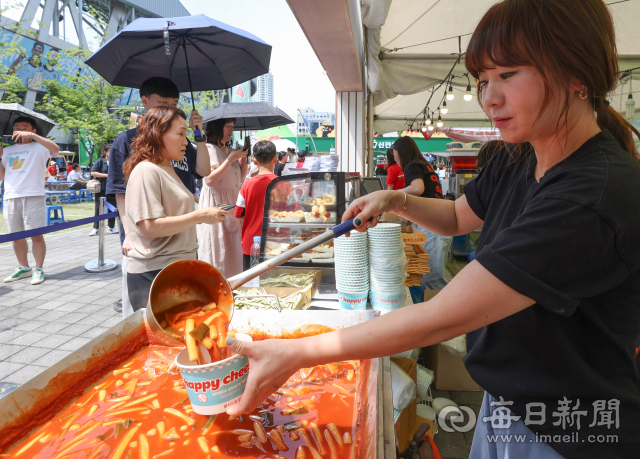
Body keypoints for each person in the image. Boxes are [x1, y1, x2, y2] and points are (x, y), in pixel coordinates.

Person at [225, 2, 640, 458]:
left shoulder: (593, 194)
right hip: (506, 403)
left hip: (571, 430)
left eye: (509, 74)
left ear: (577, 74)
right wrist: (396, 200)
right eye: (483, 80)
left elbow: (443, 316)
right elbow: (459, 216)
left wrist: (297, 352)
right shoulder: (517, 155)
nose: (490, 98)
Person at [107, 76, 210, 317]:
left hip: (178, 248)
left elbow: (204, 171)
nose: (170, 109)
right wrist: (128, 233)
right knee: (147, 323)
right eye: (163, 103)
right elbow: (121, 193)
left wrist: (197, 133)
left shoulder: (177, 150)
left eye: (174, 104)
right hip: (150, 251)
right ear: (145, 101)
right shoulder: (131, 146)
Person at [123, 107, 227, 311]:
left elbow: (204, 171)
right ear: (157, 134)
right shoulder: (146, 170)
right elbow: (149, 228)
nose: (185, 141)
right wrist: (200, 215)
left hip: (176, 268)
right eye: (180, 134)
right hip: (156, 273)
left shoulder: (168, 168)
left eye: (186, 134)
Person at [0, 116, 60, 285]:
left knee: (36, 236)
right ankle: (23, 267)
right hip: (11, 196)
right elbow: (2, 176)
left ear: (33, 130)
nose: (19, 130)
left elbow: (55, 149)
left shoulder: (40, 146)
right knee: (16, 236)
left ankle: (38, 269)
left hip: (33, 195)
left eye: (24, 127)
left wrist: (33, 137)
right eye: (16, 127)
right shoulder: (7, 150)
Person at [393, 136, 451, 290]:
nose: (396, 161)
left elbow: (418, 189)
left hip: (434, 224)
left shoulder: (413, 165)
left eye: (395, 156)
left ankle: (443, 312)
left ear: (402, 153)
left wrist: (394, 195)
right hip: (440, 223)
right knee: (434, 276)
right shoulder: (424, 165)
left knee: (434, 279)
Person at [197, 118, 248, 278]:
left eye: (233, 126)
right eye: (228, 126)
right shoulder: (209, 148)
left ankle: (232, 287)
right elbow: (210, 180)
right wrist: (230, 159)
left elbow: (239, 178)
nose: (231, 130)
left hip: (231, 203)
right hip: (216, 203)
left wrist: (244, 157)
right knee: (218, 249)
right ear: (218, 127)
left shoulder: (228, 149)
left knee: (232, 251)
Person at [234, 141, 278, 271]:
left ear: (254, 160)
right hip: (277, 243)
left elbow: (239, 214)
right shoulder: (284, 184)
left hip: (251, 243)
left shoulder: (247, 185)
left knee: (252, 284)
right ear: (276, 159)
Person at [89, 144, 117, 236]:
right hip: (101, 188)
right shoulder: (100, 161)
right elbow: (93, 172)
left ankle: (111, 227)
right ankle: (95, 228)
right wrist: (106, 175)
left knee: (112, 208)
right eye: (109, 150)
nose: (111, 152)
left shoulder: (115, 161)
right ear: (105, 151)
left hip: (112, 189)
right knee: (98, 208)